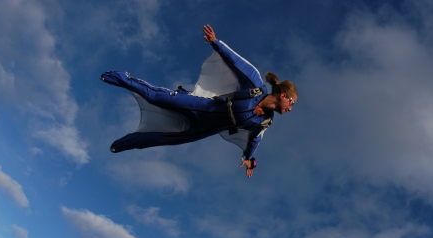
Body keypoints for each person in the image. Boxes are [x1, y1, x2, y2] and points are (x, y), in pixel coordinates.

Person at [101, 24, 297, 177]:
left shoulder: (264, 122)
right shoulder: (254, 85)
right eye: (292, 103)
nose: (291, 109)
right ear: (282, 96)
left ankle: (121, 145)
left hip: (199, 130)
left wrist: (249, 159)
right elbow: (237, 62)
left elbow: (254, 141)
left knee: (160, 138)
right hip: (197, 104)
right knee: (153, 96)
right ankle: (121, 78)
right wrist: (215, 42)